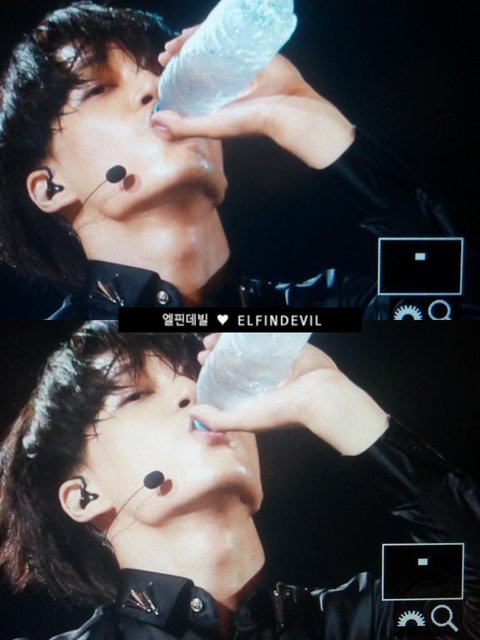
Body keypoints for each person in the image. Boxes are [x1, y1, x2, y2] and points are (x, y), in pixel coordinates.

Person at [0, 2, 477, 320]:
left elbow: (452, 306)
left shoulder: (325, 309)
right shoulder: (64, 354)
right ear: (51, 187)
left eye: (163, 70)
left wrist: (315, 123)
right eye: (98, 88)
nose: (155, 87)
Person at [0, 323, 479, 639]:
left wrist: (337, 404)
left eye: (196, 376)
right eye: (135, 395)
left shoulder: (364, 618)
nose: (192, 390)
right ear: (83, 496)